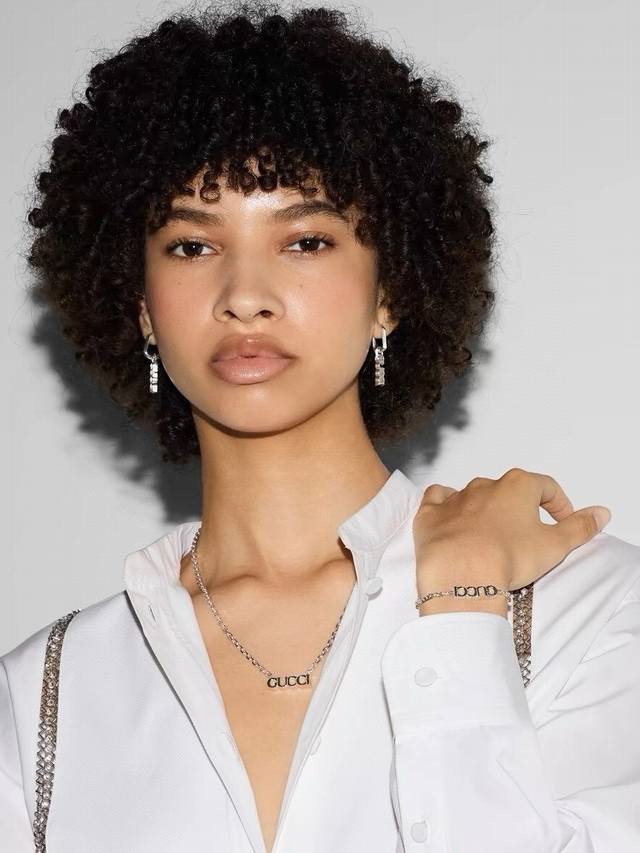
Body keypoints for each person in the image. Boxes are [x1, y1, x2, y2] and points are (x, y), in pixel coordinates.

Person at [2, 3, 639, 852]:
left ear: (390, 292)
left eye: (305, 240)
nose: (244, 295)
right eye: (191, 246)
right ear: (142, 307)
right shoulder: (44, 698)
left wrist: (462, 610)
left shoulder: (585, 611)